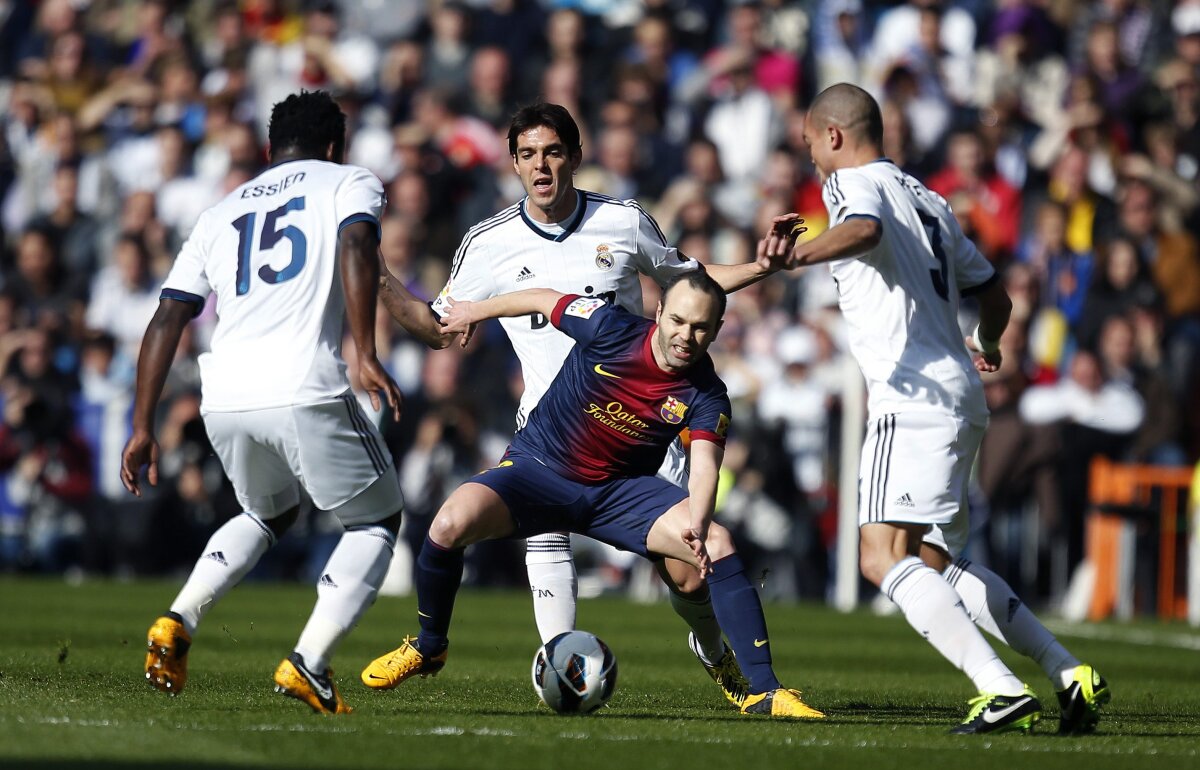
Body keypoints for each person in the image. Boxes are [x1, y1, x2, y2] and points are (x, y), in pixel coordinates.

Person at [377, 103, 786, 707]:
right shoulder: (487, 243)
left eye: (551, 151)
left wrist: (761, 266)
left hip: (641, 431)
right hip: (550, 438)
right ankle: (563, 674)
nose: (540, 165)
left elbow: (690, 285)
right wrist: (378, 277)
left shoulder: (622, 222)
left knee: (688, 571)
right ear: (513, 164)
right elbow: (439, 324)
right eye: (527, 154)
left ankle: (713, 649)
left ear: (573, 155)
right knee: (539, 541)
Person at [764, 83, 1110, 735]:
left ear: (833, 135)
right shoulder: (931, 198)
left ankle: (1000, 688)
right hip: (959, 392)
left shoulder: (849, 184)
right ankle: (1067, 672)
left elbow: (861, 231)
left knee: (878, 555)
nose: (811, 159)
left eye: (810, 143)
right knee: (934, 562)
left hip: (911, 394)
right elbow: (995, 295)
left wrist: (797, 255)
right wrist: (988, 344)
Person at [362, 272, 824, 719]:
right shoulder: (609, 326)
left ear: (717, 330)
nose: (686, 335)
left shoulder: (708, 395)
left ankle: (764, 689)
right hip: (539, 471)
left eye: (701, 327)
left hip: (620, 493)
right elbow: (543, 297)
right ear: (659, 312)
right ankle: (429, 645)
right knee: (448, 525)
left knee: (713, 550)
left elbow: (705, 468)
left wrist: (698, 527)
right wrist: (474, 312)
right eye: (678, 321)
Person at [121, 90, 432, 715]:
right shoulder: (351, 181)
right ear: (334, 146)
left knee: (268, 514)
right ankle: (309, 662)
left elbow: (167, 317)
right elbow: (355, 247)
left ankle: (178, 618)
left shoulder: (219, 211)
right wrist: (364, 350)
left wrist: (141, 424)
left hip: (225, 394)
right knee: (376, 522)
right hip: (303, 382)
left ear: (269, 150)